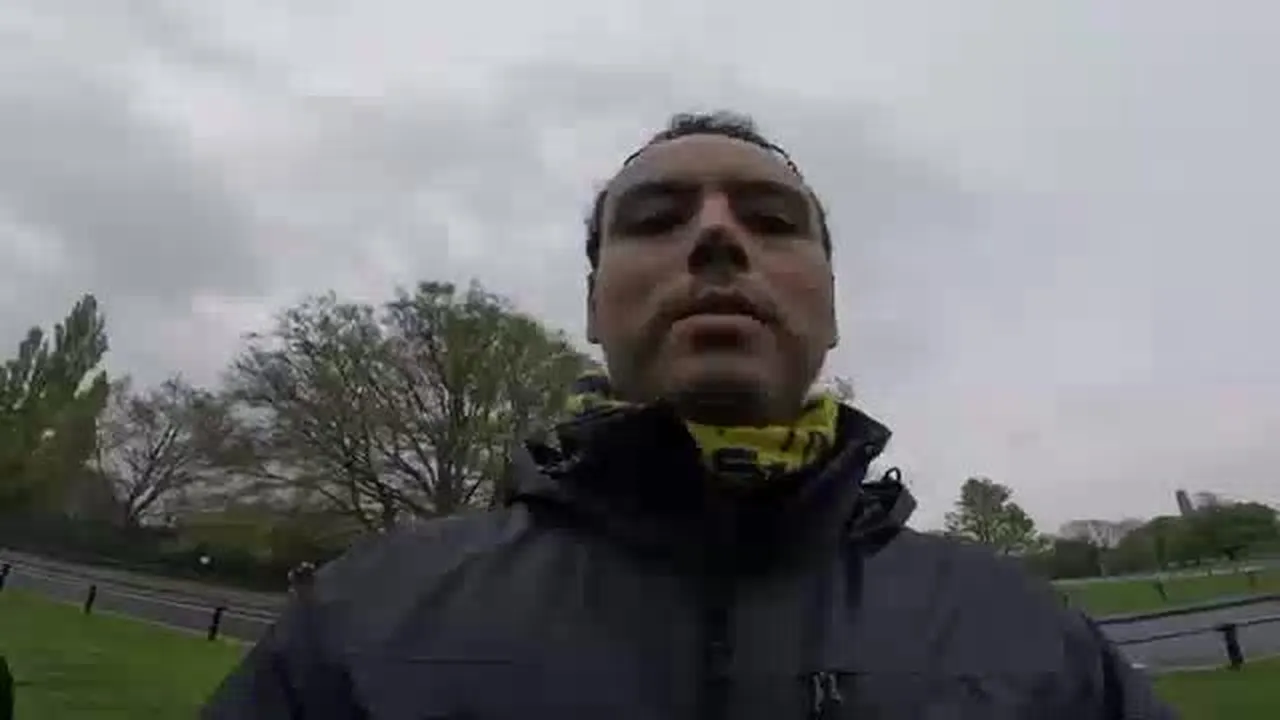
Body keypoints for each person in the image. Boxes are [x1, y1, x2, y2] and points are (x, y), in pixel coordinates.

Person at [202, 111, 1174, 719]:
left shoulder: (1033, 634)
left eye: (771, 220)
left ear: (830, 306)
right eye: (656, 219)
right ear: (593, 309)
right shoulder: (357, 620)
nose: (715, 236)